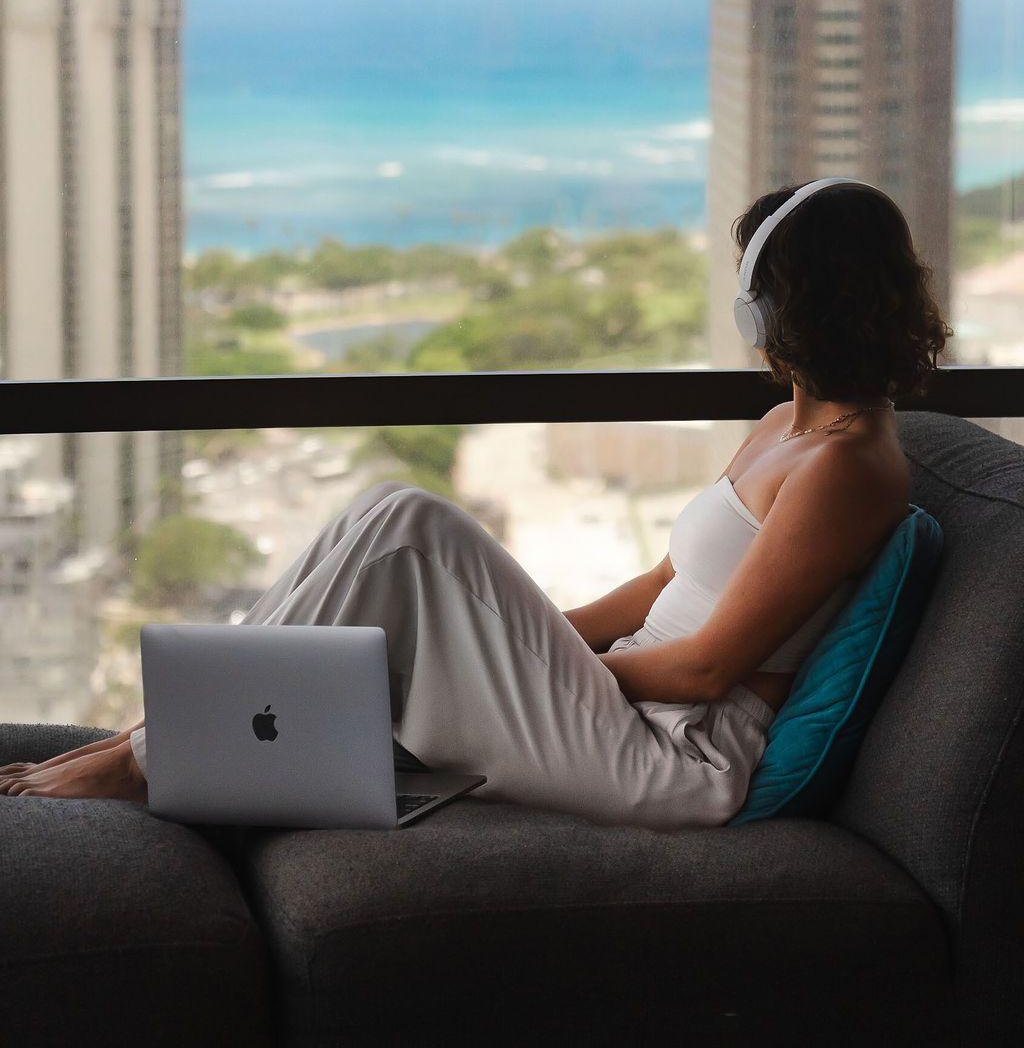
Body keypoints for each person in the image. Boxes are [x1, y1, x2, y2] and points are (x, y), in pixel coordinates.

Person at [0, 182, 951, 828]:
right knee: (382, 516)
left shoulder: (850, 466)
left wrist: (522, 663)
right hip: (625, 702)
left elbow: (707, 671)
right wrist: (533, 641)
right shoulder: (783, 427)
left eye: (757, 290)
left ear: (784, 310)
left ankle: (148, 756)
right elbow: (665, 579)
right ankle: (166, 740)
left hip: (676, 756)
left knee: (410, 529)